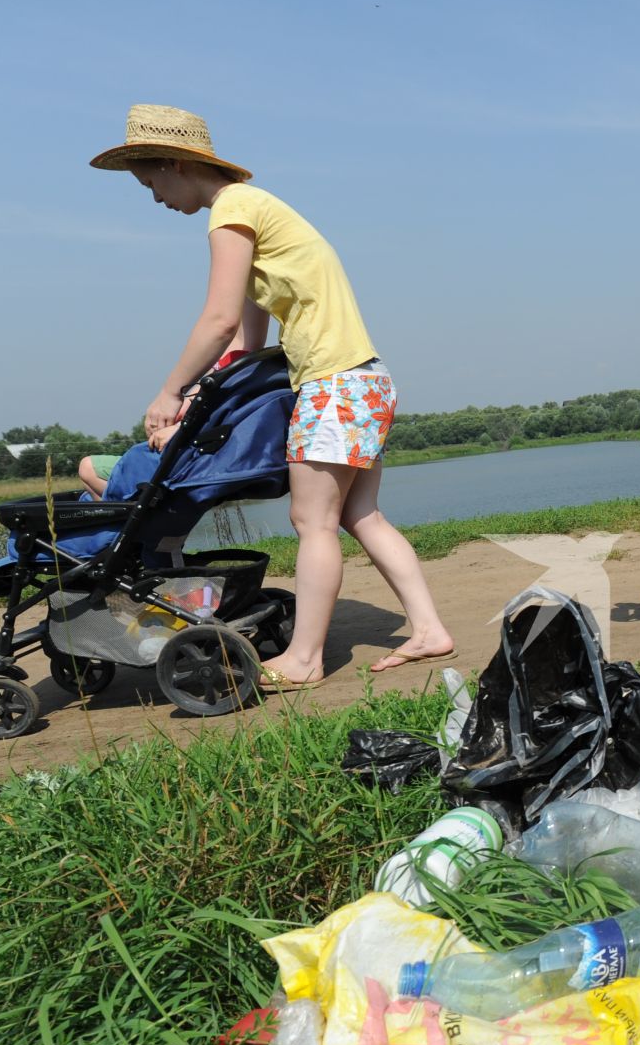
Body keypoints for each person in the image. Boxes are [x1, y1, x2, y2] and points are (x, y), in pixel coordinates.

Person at [91, 104, 453, 689]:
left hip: (334, 383)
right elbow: (245, 340)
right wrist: (200, 396)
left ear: (176, 164)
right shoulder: (258, 211)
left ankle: (305, 659)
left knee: (312, 521)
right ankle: (429, 628)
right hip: (364, 379)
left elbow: (217, 319)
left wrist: (168, 392)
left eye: (150, 181)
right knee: (362, 514)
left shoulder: (231, 210)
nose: (153, 196)